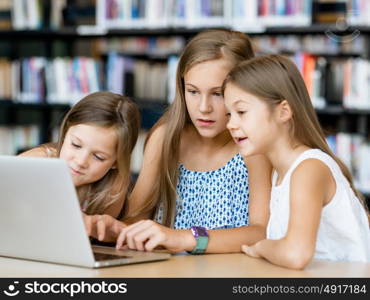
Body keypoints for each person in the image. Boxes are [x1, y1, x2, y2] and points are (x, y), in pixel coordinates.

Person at [88, 29, 272, 254]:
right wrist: (116, 229)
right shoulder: (166, 138)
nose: (203, 108)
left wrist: (186, 238)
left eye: (217, 94)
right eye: (193, 91)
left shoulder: (252, 146)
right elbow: (137, 216)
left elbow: (260, 232)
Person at [223, 54, 370, 269]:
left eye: (241, 112)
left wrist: (261, 247)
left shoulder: (308, 169)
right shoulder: (278, 173)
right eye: (229, 114)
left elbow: (296, 254)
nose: (230, 124)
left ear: (283, 111)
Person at [20, 91, 140, 219]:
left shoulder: (113, 189)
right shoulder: (36, 161)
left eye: (98, 157)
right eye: (76, 145)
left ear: (116, 162)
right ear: (65, 132)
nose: (81, 161)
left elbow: (100, 237)